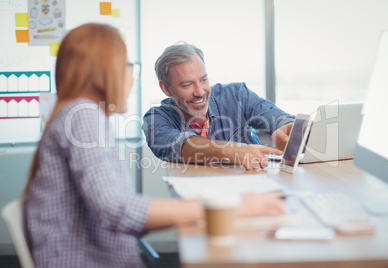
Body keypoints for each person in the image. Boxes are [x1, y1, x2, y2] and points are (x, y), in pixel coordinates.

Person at [23, 23, 284, 267]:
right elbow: (117, 210)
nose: (130, 78)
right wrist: (233, 206)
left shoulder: (77, 114)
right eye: (126, 67)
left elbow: (115, 207)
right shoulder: (83, 117)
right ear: (104, 72)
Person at [142, 42, 295, 170]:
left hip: (254, 193)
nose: (200, 92)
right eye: (187, 85)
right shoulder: (156, 119)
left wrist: (285, 127)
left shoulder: (236, 95)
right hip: (197, 201)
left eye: (203, 80)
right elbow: (180, 145)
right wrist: (231, 150)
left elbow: (276, 117)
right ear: (166, 88)